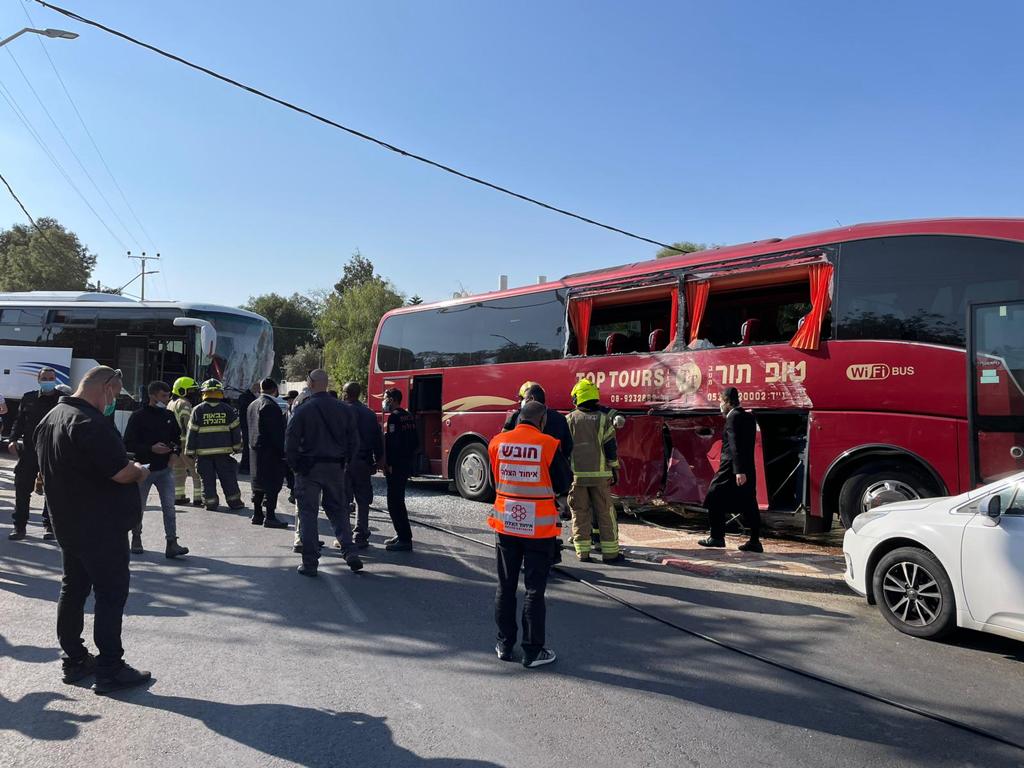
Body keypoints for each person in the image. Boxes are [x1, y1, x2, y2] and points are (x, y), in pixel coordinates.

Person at [34, 366, 152, 694]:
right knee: (110, 595)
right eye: (114, 393)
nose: (113, 401)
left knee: (72, 590)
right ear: (104, 387)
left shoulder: (53, 417)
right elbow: (120, 473)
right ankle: (110, 668)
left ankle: (74, 660)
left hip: (68, 524)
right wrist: (140, 471)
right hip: (100, 527)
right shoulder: (90, 423)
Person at [488, 400, 571, 668]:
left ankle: (504, 644)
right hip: (538, 529)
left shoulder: (496, 443)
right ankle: (533, 651)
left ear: (518, 417)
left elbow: (494, 480)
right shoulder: (548, 444)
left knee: (506, 585)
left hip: (506, 525)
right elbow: (563, 482)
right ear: (542, 420)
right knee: (534, 589)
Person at [285, 369, 363, 576]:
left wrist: (295, 467)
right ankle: (349, 550)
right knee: (339, 510)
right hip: (336, 468)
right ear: (327, 384)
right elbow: (355, 442)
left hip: (309, 469)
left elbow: (290, 441)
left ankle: (310, 563)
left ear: (310, 384)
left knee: (308, 514)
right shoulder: (344, 409)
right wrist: (345, 463)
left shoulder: (303, 409)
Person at [124, 381, 189, 558]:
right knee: (140, 507)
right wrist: (150, 448)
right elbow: (128, 443)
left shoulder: (168, 415)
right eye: (163, 396)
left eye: (168, 396)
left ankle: (172, 543)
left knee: (169, 507)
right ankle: (136, 537)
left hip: (165, 469)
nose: (167, 399)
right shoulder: (138, 417)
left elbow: (177, 439)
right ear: (152, 396)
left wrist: (174, 454)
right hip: (143, 469)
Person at [564, 379, 625, 564]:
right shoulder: (604, 419)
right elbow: (610, 448)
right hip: (601, 478)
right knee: (605, 513)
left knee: (580, 512)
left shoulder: (569, 419)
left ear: (577, 398)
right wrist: (614, 467)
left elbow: (564, 449)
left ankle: (583, 552)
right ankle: (610, 554)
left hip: (577, 477)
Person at [698, 386, 762, 552]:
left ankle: (716, 537)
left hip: (731, 468)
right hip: (748, 467)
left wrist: (738, 470)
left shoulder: (732, 418)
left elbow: (734, 445)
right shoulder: (749, 417)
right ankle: (755, 541)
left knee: (713, 496)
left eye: (721, 401)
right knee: (749, 503)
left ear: (727, 401)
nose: (719, 404)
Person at [7, 367, 61, 541]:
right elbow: (19, 421)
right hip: (30, 451)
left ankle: (49, 526)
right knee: (22, 489)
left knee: (52, 491)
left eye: (51, 378)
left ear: (56, 379)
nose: (47, 381)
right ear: (38, 380)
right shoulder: (29, 398)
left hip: (52, 452)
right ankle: (19, 526)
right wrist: (13, 439)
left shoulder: (62, 400)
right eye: (44, 378)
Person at [184, 379, 245, 511]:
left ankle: (211, 503)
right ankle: (235, 502)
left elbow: (192, 432)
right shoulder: (228, 410)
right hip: (223, 453)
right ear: (220, 393)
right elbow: (235, 430)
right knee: (228, 478)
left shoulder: (197, 410)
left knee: (207, 480)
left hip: (203, 454)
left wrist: (189, 451)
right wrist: (236, 447)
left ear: (204, 393)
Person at [341, 381, 383, 549]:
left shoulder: (340, 412)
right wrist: (378, 460)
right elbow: (377, 440)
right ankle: (361, 534)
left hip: (344, 462)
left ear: (345, 393)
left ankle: (344, 535)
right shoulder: (369, 414)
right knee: (363, 500)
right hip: (364, 462)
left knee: (344, 500)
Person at [247, 378, 289, 529]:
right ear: (275, 389)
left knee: (257, 483)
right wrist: (282, 452)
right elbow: (276, 433)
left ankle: (257, 514)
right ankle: (270, 516)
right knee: (272, 484)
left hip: (255, 450)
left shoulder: (253, 404)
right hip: (270, 452)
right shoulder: (271, 406)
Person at [381, 388, 417, 552]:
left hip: (396, 465)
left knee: (394, 502)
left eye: (386, 398)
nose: (384, 400)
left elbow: (394, 444)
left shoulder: (395, 417)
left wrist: (390, 464)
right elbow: (415, 441)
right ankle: (400, 534)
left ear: (393, 399)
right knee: (398, 500)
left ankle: (404, 538)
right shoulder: (408, 415)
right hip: (406, 463)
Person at [169, 377, 204, 506]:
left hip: (175, 443)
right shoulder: (184, 403)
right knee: (196, 470)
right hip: (186, 442)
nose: (193, 393)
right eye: (191, 391)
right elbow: (189, 424)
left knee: (178, 470)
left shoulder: (171, 403)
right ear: (182, 390)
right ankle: (198, 498)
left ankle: (178, 496)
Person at [237, 384, 258, 475]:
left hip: (247, 425)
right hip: (247, 425)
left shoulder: (246, 397)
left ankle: (246, 467)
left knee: (247, 447)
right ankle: (245, 467)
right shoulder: (247, 398)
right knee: (247, 447)